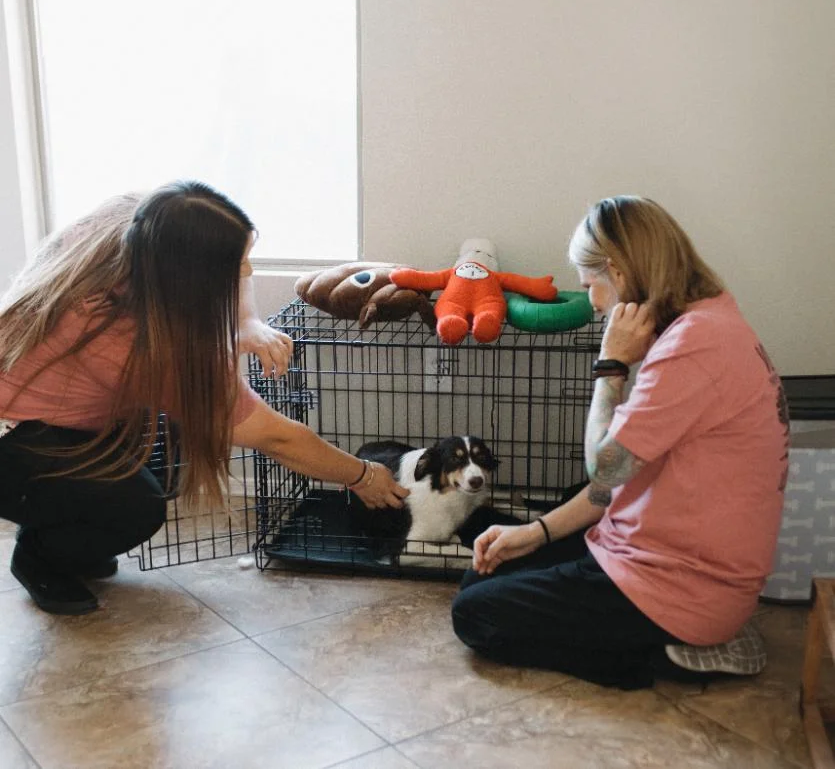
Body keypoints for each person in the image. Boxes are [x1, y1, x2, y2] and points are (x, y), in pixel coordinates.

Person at [0, 181, 409, 615]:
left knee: (166, 455)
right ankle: (40, 554)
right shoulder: (132, 341)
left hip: (56, 413)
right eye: (234, 269)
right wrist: (362, 475)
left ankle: (69, 527)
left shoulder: (145, 220)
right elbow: (276, 437)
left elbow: (236, 260)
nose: (244, 271)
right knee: (137, 506)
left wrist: (247, 322)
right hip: (14, 438)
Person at [451, 195, 789, 689]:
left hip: (682, 590)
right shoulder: (709, 316)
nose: (592, 302)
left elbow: (604, 469)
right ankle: (640, 638)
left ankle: (656, 657)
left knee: (475, 614)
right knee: (482, 577)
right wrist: (534, 533)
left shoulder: (693, 347)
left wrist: (611, 366)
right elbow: (618, 481)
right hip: (652, 548)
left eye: (591, 285)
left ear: (619, 271)